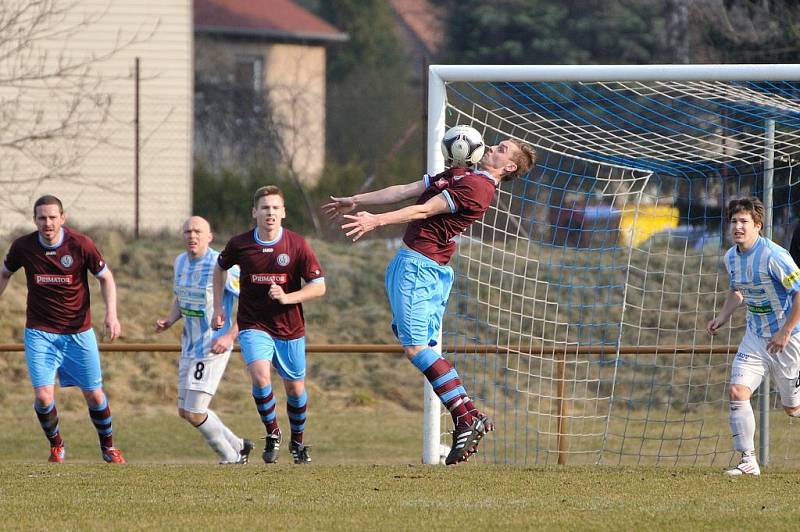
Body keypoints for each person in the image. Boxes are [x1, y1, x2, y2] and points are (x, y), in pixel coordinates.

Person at [323, 138, 536, 464]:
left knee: (416, 348)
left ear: (508, 167)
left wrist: (375, 220)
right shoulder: (461, 175)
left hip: (418, 269)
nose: (492, 147)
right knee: (419, 345)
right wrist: (355, 200)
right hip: (424, 267)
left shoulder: (478, 188)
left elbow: (423, 209)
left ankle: (465, 415)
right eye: (495, 144)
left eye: (501, 149)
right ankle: (469, 414)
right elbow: (403, 190)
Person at [0, 195, 125, 463]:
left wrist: (111, 315)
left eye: (52, 217)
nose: (47, 223)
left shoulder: (80, 244)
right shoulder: (23, 246)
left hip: (78, 333)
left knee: (94, 394)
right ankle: (56, 445)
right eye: (42, 218)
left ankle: (109, 448)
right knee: (44, 398)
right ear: (35, 220)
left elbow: (106, 278)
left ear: (62, 218)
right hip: (40, 332)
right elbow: (4, 272)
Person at [212, 186, 326, 464]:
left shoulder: (297, 245)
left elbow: (319, 286)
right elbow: (219, 267)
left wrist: (288, 298)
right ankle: (273, 433)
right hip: (253, 323)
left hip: (289, 326)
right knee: (260, 376)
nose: (270, 212)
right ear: (255, 212)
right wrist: (218, 306)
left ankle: (297, 442)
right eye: (265, 208)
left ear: (283, 212)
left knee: (295, 390)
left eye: (275, 208)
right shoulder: (240, 244)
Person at [707, 197, 800, 476]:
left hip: (788, 339)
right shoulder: (730, 257)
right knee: (737, 392)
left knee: (792, 409)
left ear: (758, 225)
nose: (738, 226)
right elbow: (738, 291)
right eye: (734, 221)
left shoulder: (775, 256)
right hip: (755, 336)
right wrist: (722, 317)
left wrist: (785, 332)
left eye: (744, 221)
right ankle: (748, 461)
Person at [154, 216, 253, 464]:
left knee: (196, 412)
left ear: (210, 236)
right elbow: (181, 297)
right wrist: (169, 320)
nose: (192, 236)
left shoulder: (222, 265)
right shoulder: (180, 262)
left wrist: (230, 336)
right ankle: (240, 445)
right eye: (187, 231)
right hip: (189, 345)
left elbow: (251, 304)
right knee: (185, 411)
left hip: (213, 345)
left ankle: (231, 458)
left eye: (198, 231)